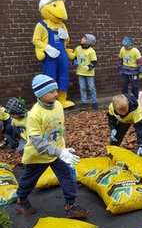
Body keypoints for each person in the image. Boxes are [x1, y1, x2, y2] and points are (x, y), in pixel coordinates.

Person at [15, 74, 88, 218]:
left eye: (56, 90)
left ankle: (70, 206)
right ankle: (21, 199)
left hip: (57, 152)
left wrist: (63, 147)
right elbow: (37, 142)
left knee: (68, 177)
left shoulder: (59, 105)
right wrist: (59, 152)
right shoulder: (34, 115)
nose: (56, 93)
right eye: (51, 91)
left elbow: (60, 128)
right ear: (40, 95)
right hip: (38, 156)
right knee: (29, 180)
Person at [74, 34, 98, 109]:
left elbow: (94, 62)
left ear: (88, 41)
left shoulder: (91, 51)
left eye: (84, 38)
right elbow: (75, 57)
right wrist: (74, 62)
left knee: (91, 87)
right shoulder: (78, 48)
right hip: (80, 72)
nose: (82, 39)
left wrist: (89, 67)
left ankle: (94, 102)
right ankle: (84, 102)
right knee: (82, 87)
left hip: (89, 73)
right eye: (82, 37)